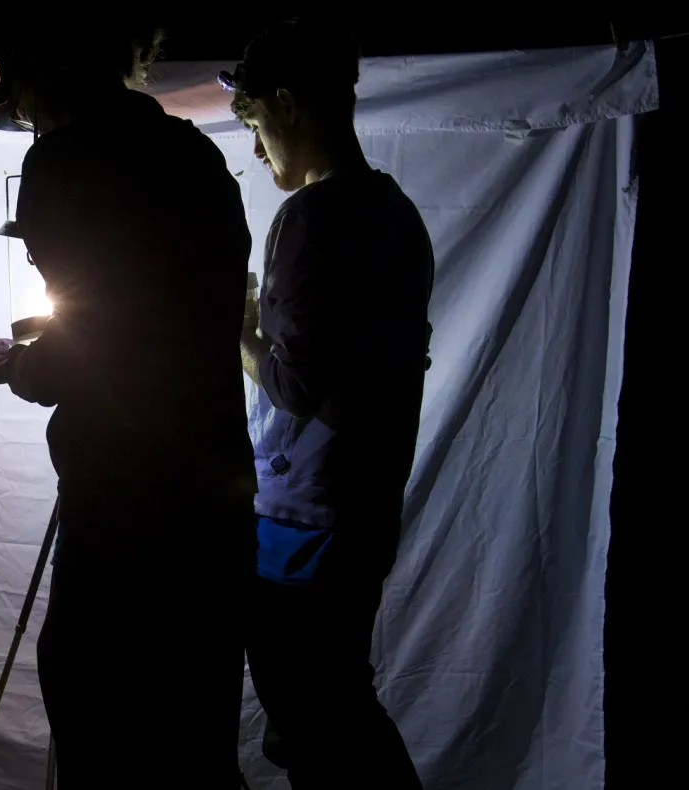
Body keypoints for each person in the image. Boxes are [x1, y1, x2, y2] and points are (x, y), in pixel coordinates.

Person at [0, 22, 257, 788]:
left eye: (22, 102)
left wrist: (18, 365)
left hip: (124, 501)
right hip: (213, 498)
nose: (26, 118)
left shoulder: (63, 160)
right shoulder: (194, 156)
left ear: (39, 76)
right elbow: (173, 322)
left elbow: (86, 351)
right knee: (194, 736)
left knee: (100, 724)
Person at [221, 19, 434, 789]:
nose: (255, 147)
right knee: (331, 705)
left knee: (315, 714)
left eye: (253, 124)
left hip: (306, 519)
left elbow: (294, 385)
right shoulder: (396, 212)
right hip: (362, 508)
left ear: (286, 102)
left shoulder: (310, 217)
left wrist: (234, 329)